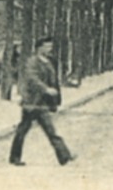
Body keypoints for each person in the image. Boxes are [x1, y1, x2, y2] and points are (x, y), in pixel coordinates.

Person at [9, 36, 74, 167]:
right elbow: (33, 79)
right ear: (39, 48)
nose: (50, 48)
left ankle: (64, 156)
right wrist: (46, 89)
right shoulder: (33, 62)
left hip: (42, 103)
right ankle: (15, 157)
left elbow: (52, 79)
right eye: (47, 46)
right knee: (26, 130)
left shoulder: (48, 62)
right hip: (32, 102)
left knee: (43, 130)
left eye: (50, 46)